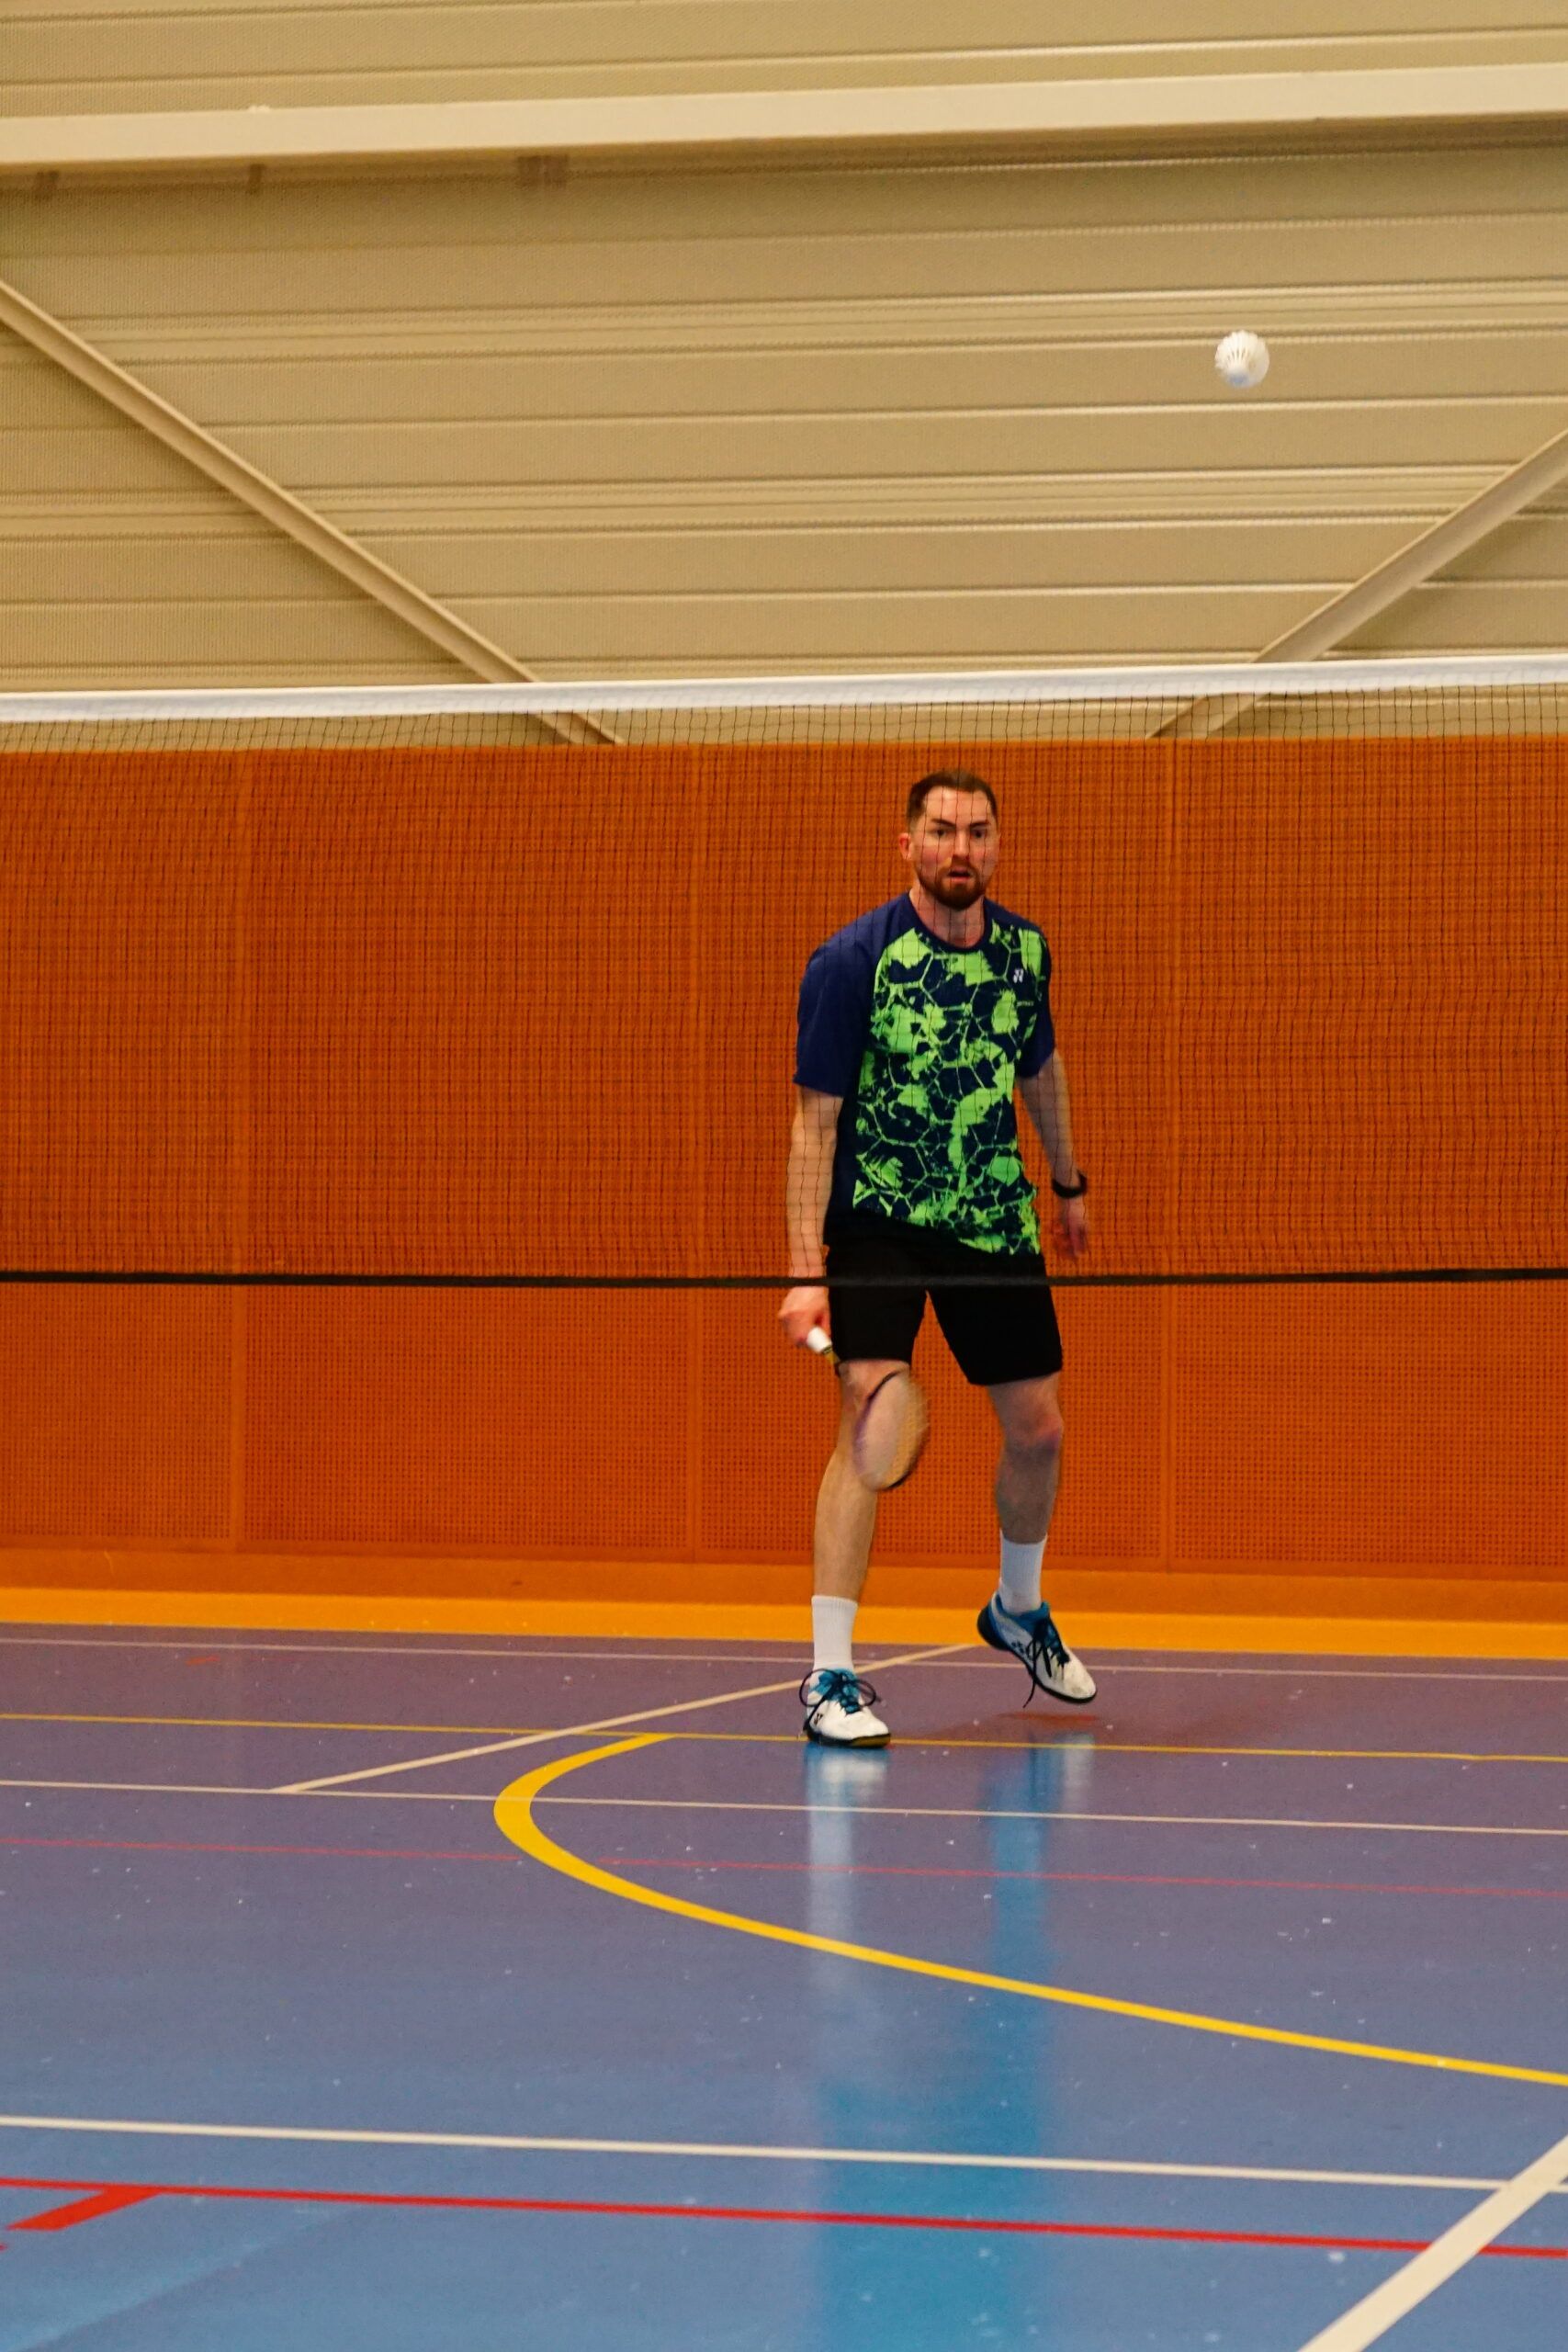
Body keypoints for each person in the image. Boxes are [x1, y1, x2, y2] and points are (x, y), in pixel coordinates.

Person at [779, 768, 1096, 1747]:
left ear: (998, 845)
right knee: (869, 1421)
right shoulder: (852, 962)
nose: (961, 848)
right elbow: (814, 1121)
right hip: (878, 1216)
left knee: (1038, 1430)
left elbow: (1038, 1066)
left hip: (991, 1213)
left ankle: (1016, 1607)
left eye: (978, 831)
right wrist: (803, 1269)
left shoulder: (1024, 953)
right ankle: (830, 1674)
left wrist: (1068, 1181)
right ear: (907, 843)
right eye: (942, 830)